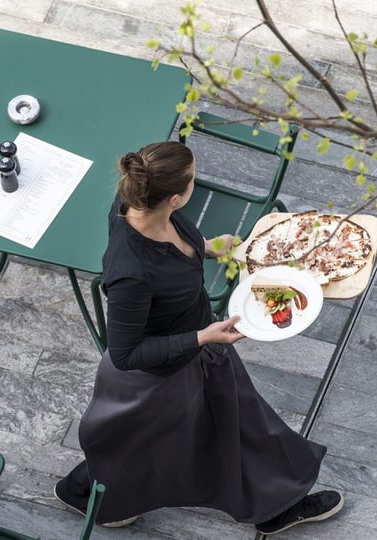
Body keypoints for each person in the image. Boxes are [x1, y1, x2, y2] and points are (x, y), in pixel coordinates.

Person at [53, 141, 343, 536]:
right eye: (193, 178)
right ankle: (275, 509)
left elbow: (170, 248)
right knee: (238, 426)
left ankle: (88, 493)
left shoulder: (137, 202)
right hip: (163, 374)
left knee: (138, 441)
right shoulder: (130, 274)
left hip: (189, 351)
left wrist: (206, 247)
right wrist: (202, 337)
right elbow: (123, 353)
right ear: (175, 197)